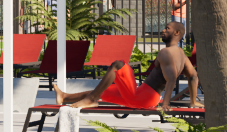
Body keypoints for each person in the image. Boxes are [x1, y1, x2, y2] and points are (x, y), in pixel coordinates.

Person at [58, 19, 201, 110]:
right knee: (102, 89)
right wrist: (193, 102)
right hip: (144, 96)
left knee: (118, 65)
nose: (163, 30)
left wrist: (166, 104)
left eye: (167, 28)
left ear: (176, 33)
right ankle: (64, 97)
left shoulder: (166, 52)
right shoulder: (182, 54)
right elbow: (193, 77)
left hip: (143, 97)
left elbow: (171, 79)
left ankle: (91, 99)